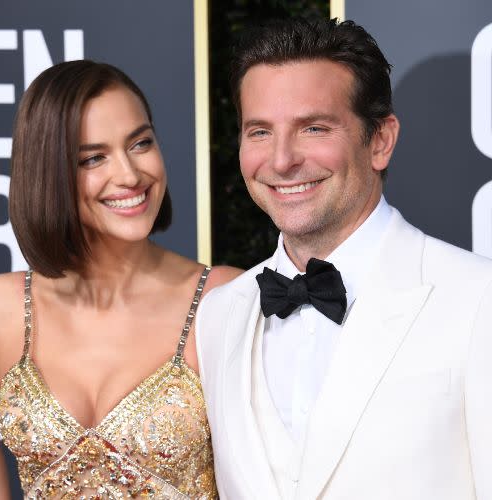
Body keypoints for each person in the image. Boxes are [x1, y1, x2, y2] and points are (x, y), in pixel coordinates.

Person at [196, 17, 492, 500]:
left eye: (313, 128)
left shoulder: (480, 299)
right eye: (260, 132)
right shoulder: (219, 314)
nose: (282, 160)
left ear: (379, 140)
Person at [0, 60, 241, 499]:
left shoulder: (225, 300)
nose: (130, 174)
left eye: (140, 143)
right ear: (48, 172)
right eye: (93, 158)